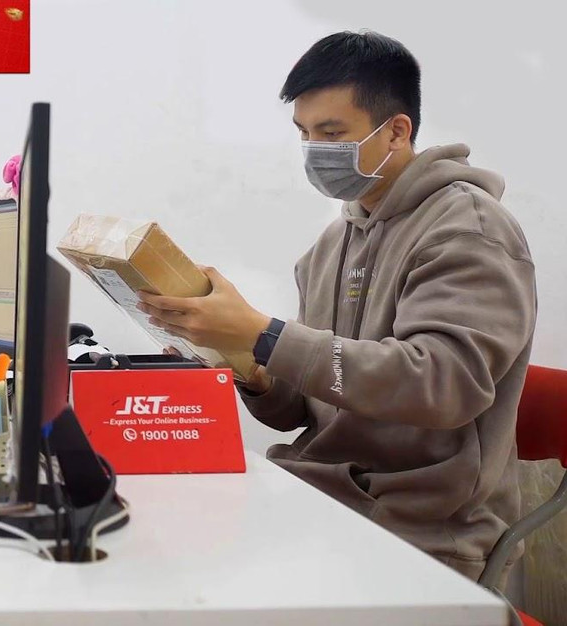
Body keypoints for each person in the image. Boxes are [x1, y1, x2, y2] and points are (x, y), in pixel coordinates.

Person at [136, 30, 536, 585]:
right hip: (319, 499)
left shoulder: (468, 229)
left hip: (419, 528)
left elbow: (443, 385)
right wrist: (246, 365)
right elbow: (305, 408)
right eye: (303, 133)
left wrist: (266, 334)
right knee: (156, 548)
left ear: (397, 131)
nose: (314, 151)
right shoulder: (331, 244)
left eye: (331, 134)